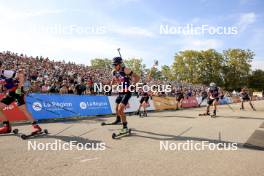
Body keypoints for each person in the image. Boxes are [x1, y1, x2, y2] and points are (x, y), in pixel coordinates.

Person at [0, 62, 42, 134]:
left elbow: (21, 75)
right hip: (11, 93)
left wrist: (19, 89)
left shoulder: (5, 72)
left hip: (18, 91)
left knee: (23, 108)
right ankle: (6, 127)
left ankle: (36, 127)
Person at [110, 57, 140, 131]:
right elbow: (113, 81)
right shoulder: (114, 72)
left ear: (120, 64)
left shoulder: (125, 70)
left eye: (115, 64)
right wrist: (113, 85)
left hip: (127, 92)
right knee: (116, 109)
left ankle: (125, 127)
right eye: (113, 65)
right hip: (120, 92)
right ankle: (118, 120)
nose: (114, 66)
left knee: (120, 110)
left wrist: (133, 84)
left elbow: (137, 77)